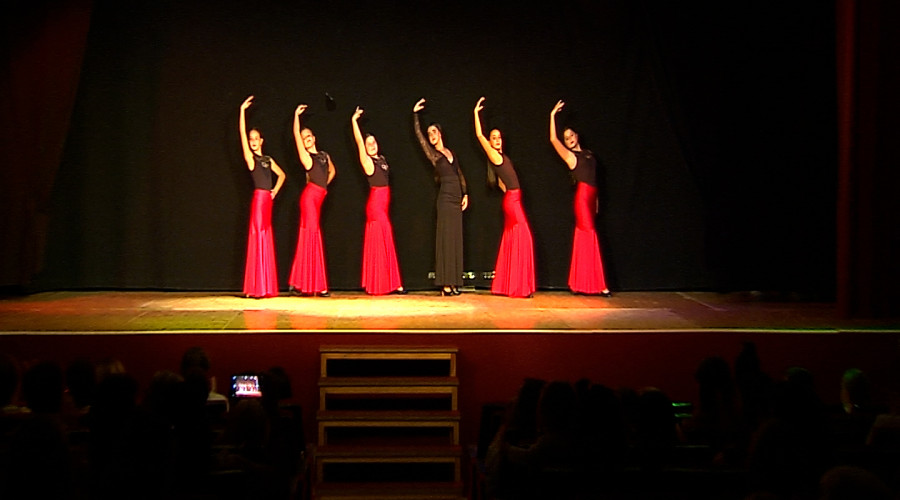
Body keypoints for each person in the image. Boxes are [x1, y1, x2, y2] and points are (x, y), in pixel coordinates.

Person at [474, 97, 536, 298]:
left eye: (499, 137)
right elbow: (479, 136)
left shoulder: (503, 157)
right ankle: (518, 286)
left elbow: (504, 183)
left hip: (511, 198)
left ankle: (506, 285)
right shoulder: (495, 156)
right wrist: (476, 113)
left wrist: (509, 195)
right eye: (494, 138)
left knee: (512, 238)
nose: (497, 140)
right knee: (522, 236)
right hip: (513, 201)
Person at [549, 100, 611, 296]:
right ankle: (599, 284)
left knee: (584, 238)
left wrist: (597, 201)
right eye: (566, 138)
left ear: (577, 135)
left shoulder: (589, 154)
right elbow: (553, 140)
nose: (569, 140)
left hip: (592, 198)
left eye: (571, 136)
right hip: (582, 199)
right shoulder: (571, 157)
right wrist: (552, 116)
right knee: (589, 237)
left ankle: (578, 283)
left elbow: (595, 180)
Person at [412, 98, 468, 296]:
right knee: (445, 239)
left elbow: (459, 173)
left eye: (434, 132)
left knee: (455, 240)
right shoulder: (434, 155)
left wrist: (466, 193)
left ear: (440, 133)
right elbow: (419, 138)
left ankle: (454, 282)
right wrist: (415, 115)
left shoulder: (450, 152)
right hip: (444, 199)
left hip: (456, 199)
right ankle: (445, 283)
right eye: (429, 134)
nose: (431, 136)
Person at [351, 107, 406, 295]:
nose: (372, 144)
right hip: (375, 207)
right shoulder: (368, 162)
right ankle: (382, 283)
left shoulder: (382, 159)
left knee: (386, 239)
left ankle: (390, 281)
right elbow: (358, 142)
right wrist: (354, 121)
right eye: (369, 143)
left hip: (384, 206)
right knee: (382, 240)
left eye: (373, 141)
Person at [239, 96, 286, 298]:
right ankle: (255, 287)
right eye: (251, 139)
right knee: (257, 237)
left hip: (267, 200)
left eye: (256, 138)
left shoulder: (267, 159)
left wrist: (275, 190)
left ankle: (265, 286)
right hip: (259, 200)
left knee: (266, 238)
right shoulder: (251, 159)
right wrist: (242, 112)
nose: (254, 142)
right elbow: (241, 134)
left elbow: (283, 175)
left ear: (262, 141)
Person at [289, 104, 335, 297]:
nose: (306, 140)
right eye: (303, 138)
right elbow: (297, 140)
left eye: (308, 136)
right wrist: (296, 118)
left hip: (319, 197)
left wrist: (324, 186)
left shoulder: (324, 155)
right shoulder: (307, 158)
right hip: (309, 199)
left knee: (309, 236)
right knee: (311, 235)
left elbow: (332, 171)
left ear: (314, 138)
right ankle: (315, 284)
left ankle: (298, 281)